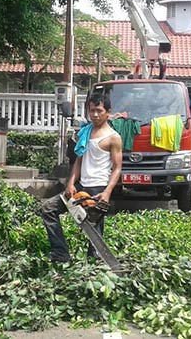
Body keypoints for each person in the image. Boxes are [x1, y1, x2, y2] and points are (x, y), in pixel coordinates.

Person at [39, 93, 123, 263]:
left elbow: (117, 168)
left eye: (99, 111)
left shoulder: (114, 138)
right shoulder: (85, 132)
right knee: (48, 209)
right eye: (92, 111)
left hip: (98, 190)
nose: (95, 115)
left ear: (108, 112)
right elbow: (78, 160)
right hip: (80, 187)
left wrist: (107, 193)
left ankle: (93, 268)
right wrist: (70, 183)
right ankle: (61, 254)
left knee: (94, 234)